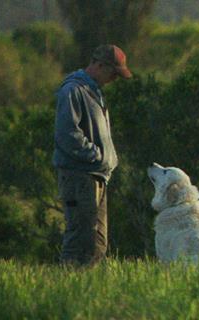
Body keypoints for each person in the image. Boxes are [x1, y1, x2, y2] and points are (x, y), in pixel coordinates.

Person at [53, 44, 132, 266]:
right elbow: (67, 134)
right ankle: (69, 286)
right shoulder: (73, 90)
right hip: (80, 175)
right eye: (113, 73)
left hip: (97, 176)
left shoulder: (94, 91)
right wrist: (96, 155)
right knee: (80, 236)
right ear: (98, 65)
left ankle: (90, 286)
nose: (115, 79)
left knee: (98, 240)